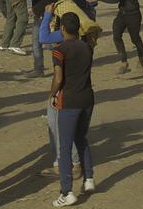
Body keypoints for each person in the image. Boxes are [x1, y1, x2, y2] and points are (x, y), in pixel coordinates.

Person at [49, 12, 96, 207]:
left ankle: (67, 192)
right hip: (87, 99)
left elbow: (58, 78)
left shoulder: (59, 50)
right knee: (81, 139)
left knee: (65, 147)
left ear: (62, 29)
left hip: (69, 101)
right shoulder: (87, 47)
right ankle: (89, 179)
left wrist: (52, 94)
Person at [7, 0, 59, 77]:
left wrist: (18, 1)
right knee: (46, 42)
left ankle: (40, 69)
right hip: (46, 12)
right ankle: (44, 68)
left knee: (41, 42)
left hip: (44, 14)